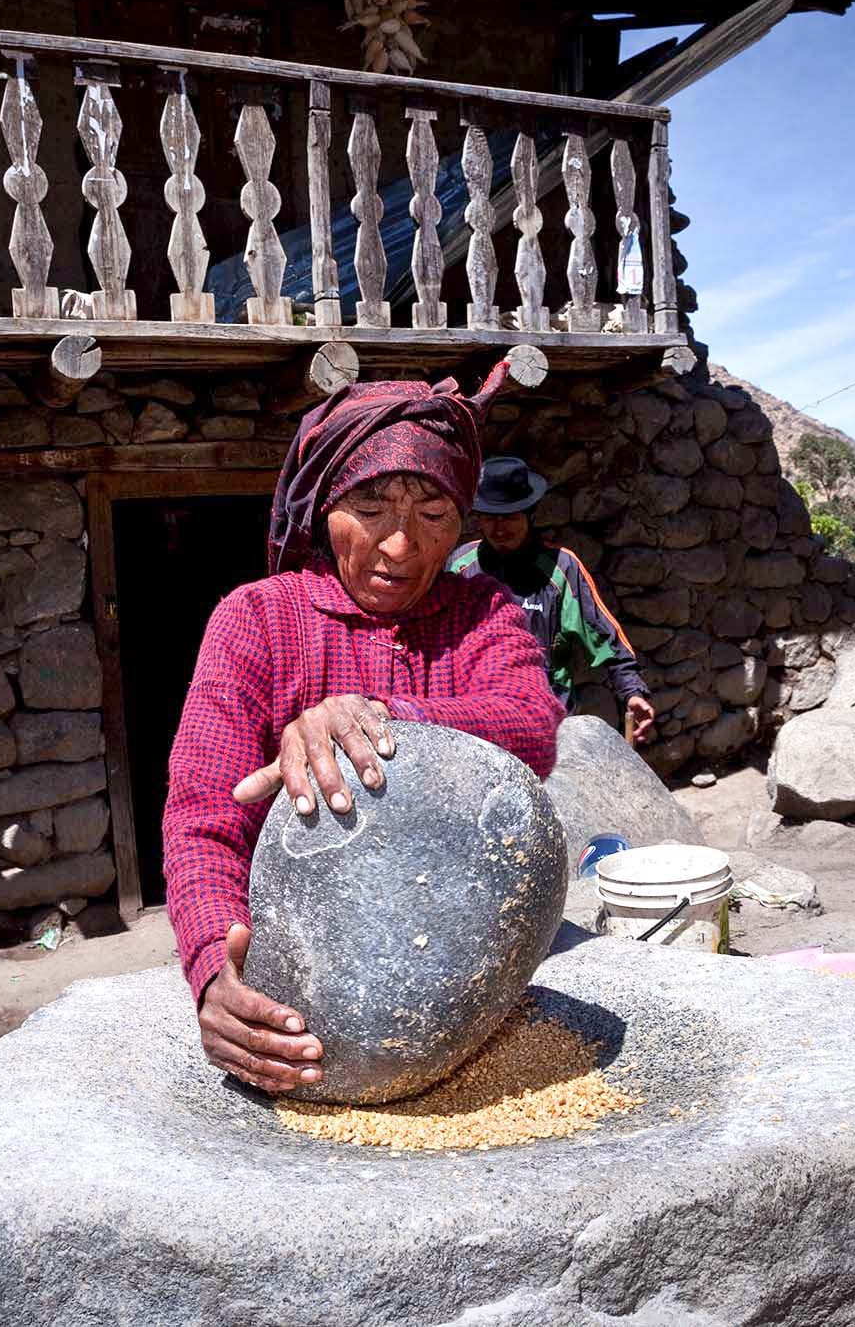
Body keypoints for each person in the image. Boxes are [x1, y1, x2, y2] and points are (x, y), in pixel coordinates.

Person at [162, 364, 567, 1095]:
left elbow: (534, 726)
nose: (400, 547)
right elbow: (202, 815)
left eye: (434, 513)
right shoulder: (257, 620)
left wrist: (383, 715)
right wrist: (214, 970)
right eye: (371, 506)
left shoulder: (484, 615)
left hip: (453, 965)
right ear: (323, 508)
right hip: (311, 979)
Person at [451, 455, 656, 744]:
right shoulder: (460, 566)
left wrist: (632, 691)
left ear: (529, 513)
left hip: (545, 727)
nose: (499, 529)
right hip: (475, 725)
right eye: (490, 518)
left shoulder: (562, 569)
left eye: (509, 517)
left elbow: (603, 635)